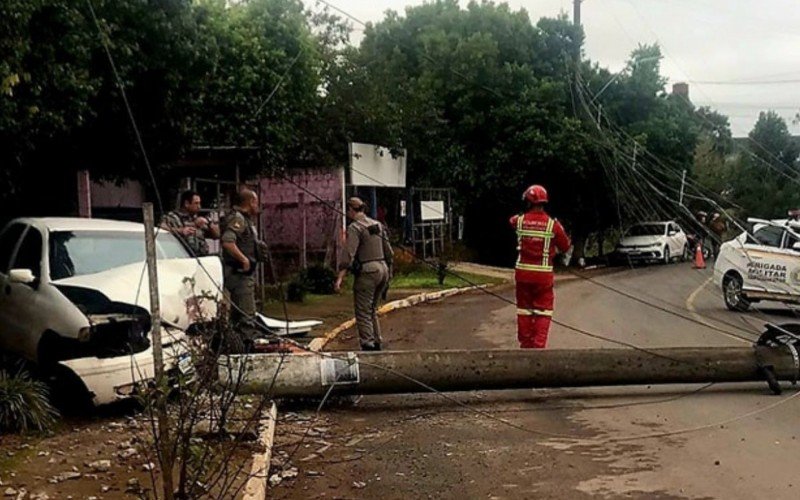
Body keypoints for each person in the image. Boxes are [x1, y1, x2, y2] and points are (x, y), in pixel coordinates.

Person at [510, 184, 571, 349]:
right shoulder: (553, 225)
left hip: (522, 274)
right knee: (543, 311)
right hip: (543, 276)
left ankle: (525, 346)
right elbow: (565, 246)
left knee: (524, 310)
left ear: (528, 202)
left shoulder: (519, 221)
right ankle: (538, 348)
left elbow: (512, 221)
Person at [335, 197, 393, 351]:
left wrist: (340, 278)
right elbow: (389, 252)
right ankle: (377, 339)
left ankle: (368, 343)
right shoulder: (377, 224)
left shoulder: (355, 227)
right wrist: (389, 274)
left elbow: (349, 254)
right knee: (372, 309)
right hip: (383, 268)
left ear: (350, 210)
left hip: (368, 271)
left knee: (363, 311)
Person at [220, 188, 267, 350]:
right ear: (251, 202)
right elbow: (227, 241)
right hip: (239, 274)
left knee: (238, 316)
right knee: (247, 315)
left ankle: (238, 347)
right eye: (256, 202)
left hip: (242, 274)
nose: (258, 206)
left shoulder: (245, 219)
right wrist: (243, 259)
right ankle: (246, 351)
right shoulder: (238, 219)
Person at [161, 190, 219, 256]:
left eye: (199, 203)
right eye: (196, 203)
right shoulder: (173, 218)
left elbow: (217, 235)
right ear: (186, 204)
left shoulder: (197, 219)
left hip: (201, 258)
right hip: (182, 258)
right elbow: (161, 227)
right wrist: (180, 231)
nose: (199, 206)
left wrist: (209, 222)